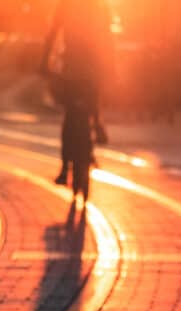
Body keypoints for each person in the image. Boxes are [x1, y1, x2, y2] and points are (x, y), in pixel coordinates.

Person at [39, 0, 113, 185]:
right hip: (92, 65)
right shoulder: (98, 5)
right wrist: (110, 65)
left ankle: (65, 169)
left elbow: (52, 33)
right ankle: (97, 126)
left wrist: (44, 62)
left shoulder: (66, 5)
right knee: (92, 98)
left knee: (70, 116)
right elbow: (108, 36)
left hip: (73, 65)